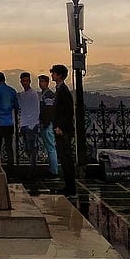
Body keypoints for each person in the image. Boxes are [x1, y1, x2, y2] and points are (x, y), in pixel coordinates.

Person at [50, 64, 76, 196]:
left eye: (53, 73)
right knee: (64, 156)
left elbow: (67, 112)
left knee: (66, 157)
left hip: (63, 130)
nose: (52, 75)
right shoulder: (60, 89)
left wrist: (60, 127)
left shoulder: (63, 91)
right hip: (60, 129)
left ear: (59, 75)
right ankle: (68, 185)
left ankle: (70, 187)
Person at [17, 72, 40, 176]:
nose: (25, 83)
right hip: (24, 124)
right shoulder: (22, 95)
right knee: (26, 147)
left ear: (29, 81)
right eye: (23, 81)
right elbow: (21, 109)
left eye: (26, 81)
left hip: (31, 124)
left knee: (31, 148)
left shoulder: (33, 94)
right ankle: (31, 168)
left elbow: (36, 110)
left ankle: (33, 169)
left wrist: (33, 124)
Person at [0, 72, 18, 169]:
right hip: (9, 122)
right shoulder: (12, 91)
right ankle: (11, 165)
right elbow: (16, 106)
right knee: (9, 146)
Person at [38, 74, 59, 178]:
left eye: (42, 81)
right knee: (49, 147)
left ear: (47, 83)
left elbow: (49, 110)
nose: (40, 84)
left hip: (48, 124)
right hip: (45, 123)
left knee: (51, 148)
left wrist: (46, 123)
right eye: (40, 82)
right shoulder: (44, 94)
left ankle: (54, 171)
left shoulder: (48, 94)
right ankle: (52, 168)